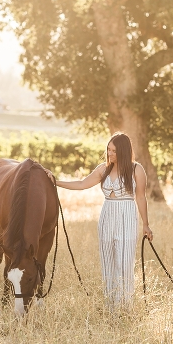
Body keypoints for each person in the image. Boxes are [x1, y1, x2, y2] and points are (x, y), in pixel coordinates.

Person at [44, 132, 154, 311]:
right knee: (108, 263)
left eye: (114, 151)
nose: (110, 154)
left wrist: (146, 225)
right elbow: (82, 184)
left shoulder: (136, 170)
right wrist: (56, 181)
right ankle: (111, 307)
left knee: (125, 265)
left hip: (127, 216)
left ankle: (125, 308)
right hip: (106, 216)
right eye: (109, 149)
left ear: (124, 152)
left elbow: (141, 198)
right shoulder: (104, 169)